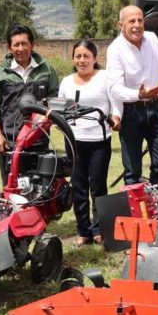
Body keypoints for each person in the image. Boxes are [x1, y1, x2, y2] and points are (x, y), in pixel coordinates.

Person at [58, 40, 121, 246]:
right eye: (78, 56)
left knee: (97, 186)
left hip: (98, 141)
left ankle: (98, 229)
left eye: (86, 56)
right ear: (73, 58)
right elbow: (60, 108)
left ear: (95, 58)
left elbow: (116, 101)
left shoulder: (104, 78)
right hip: (74, 140)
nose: (82, 60)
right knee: (78, 187)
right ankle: (83, 230)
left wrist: (117, 117)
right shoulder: (66, 81)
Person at [0, 24, 59, 185]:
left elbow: (55, 100)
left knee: (41, 191)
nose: (20, 48)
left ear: (32, 44)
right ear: (9, 47)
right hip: (9, 143)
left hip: (39, 141)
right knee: (12, 191)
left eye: (24, 43)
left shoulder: (46, 70)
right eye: (16, 44)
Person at [106, 5, 158, 185]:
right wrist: (139, 95)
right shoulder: (115, 49)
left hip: (156, 109)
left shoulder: (152, 38)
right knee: (132, 171)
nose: (137, 25)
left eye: (140, 20)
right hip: (131, 113)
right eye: (131, 21)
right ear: (120, 25)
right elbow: (114, 88)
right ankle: (136, 211)